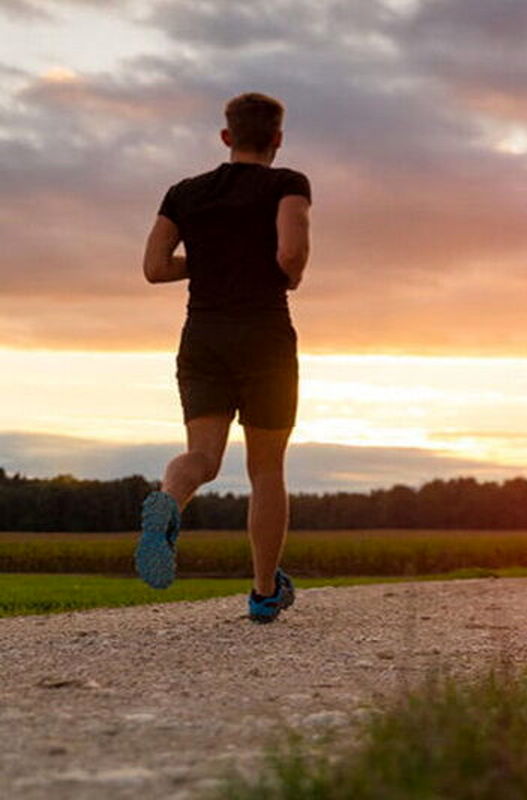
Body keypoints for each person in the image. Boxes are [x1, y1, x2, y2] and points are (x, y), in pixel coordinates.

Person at [137, 92, 311, 623]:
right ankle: (263, 593)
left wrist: (211, 257)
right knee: (265, 469)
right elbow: (290, 251)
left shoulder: (185, 193)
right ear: (277, 138)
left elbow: (154, 267)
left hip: (203, 338)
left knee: (203, 459)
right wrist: (290, 274)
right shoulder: (288, 184)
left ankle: (169, 499)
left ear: (226, 136)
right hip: (264, 338)